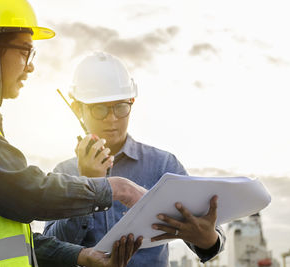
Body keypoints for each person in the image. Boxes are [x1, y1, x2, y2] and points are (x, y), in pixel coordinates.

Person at [0, 1, 145, 266]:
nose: (30, 66)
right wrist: (115, 188)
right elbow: (23, 192)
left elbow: (16, 237)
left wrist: (81, 256)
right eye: (25, 52)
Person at [43, 52, 226, 266]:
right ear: (77, 109)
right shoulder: (64, 174)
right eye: (99, 108)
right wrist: (89, 187)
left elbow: (209, 237)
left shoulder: (163, 166)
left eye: (121, 106)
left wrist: (209, 240)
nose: (111, 119)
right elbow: (52, 250)